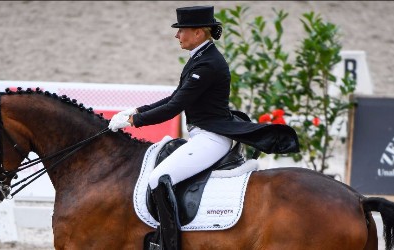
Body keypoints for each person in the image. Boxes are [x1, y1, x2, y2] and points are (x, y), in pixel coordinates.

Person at [108, 5, 299, 250]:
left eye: (181, 30)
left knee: (158, 178)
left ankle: (169, 244)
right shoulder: (200, 57)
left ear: (198, 33)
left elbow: (175, 106)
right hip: (203, 134)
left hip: (211, 138)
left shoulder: (207, 64)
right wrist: (137, 111)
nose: (177, 36)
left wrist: (135, 122)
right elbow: (176, 96)